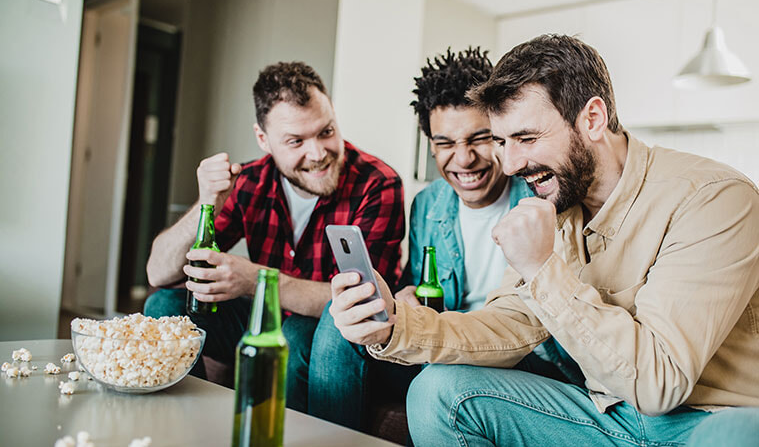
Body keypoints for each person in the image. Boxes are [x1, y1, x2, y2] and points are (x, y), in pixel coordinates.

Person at [330, 34, 759, 446]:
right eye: (501, 141)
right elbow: (510, 323)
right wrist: (391, 325)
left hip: (703, 424)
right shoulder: (555, 203)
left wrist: (541, 268)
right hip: (605, 414)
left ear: (592, 118)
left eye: (527, 139)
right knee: (439, 391)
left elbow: (659, 384)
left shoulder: (713, 198)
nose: (512, 163)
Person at [144, 61, 405, 415]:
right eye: (296, 141)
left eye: (326, 131)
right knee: (163, 307)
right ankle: (193, 426)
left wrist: (255, 280)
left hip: (333, 335)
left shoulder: (378, 184)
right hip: (260, 319)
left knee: (296, 333)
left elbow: (367, 303)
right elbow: (158, 273)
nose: (318, 153)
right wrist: (207, 201)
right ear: (263, 139)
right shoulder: (250, 181)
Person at [303, 48, 533, 431]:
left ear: (501, 133)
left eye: (479, 138)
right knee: (338, 321)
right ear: (430, 144)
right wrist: (403, 298)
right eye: (445, 143)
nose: (463, 159)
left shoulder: (538, 198)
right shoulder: (428, 204)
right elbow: (416, 284)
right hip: (437, 347)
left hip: (510, 356)